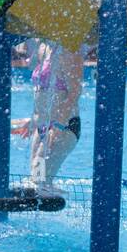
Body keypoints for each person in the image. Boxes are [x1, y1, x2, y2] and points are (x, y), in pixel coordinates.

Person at [11, 40, 84, 194]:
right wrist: (33, 121)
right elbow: (41, 95)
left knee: (39, 182)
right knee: (36, 179)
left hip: (63, 125)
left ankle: (62, 204)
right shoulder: (43, 47)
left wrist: (57, 125)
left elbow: (74, 94)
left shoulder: (70, 50)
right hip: (43, 125)